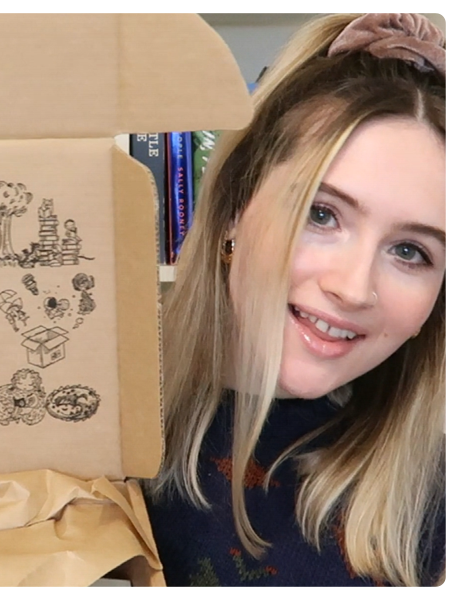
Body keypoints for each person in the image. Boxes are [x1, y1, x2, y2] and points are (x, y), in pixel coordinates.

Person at [144, 13, 446, 587]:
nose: (353, 288)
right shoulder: (86, 419)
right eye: (321, 214)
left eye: (411, 252)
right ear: (235, 206)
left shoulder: (437, 506)